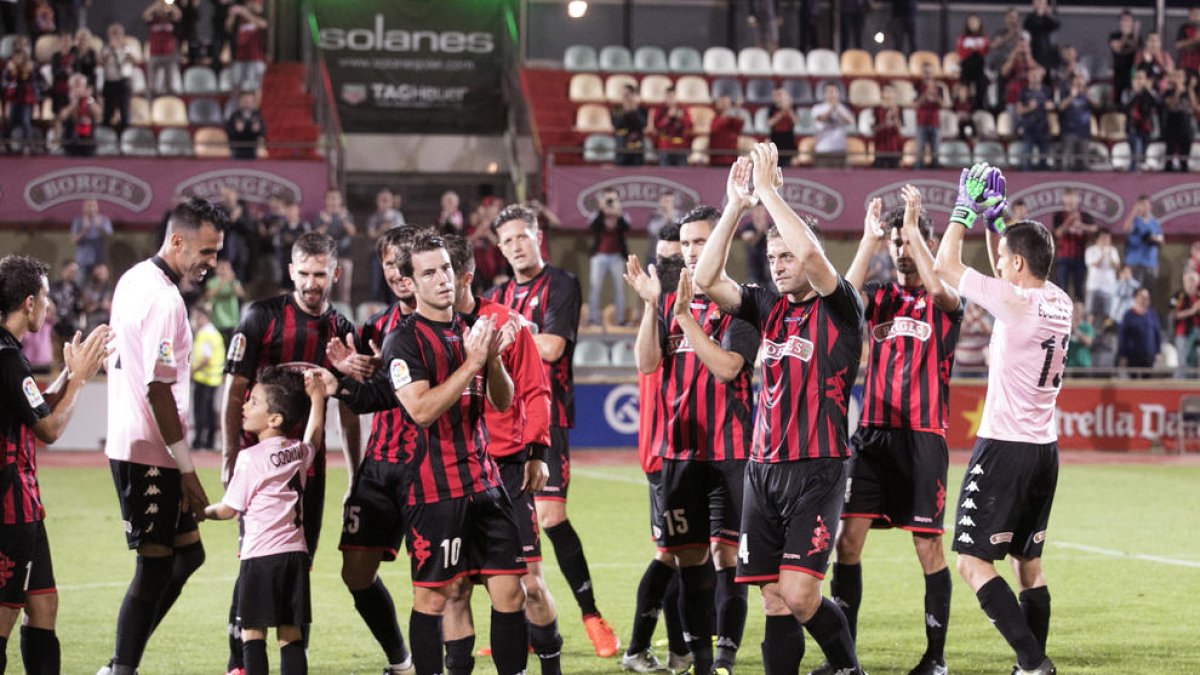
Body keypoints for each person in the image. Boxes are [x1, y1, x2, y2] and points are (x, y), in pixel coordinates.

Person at [694, 148, 865, 675]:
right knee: (771, 597)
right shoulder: (766, 308)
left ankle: (846, 667)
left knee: (800, 594)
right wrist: (734, 206)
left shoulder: (841, 307)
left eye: (785, 256)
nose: (779, 265)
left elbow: (815, 261)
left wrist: (770, 193)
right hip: (762, 471)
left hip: (818, 468)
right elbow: (706, 279)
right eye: (772, 259)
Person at [931, 162, 1067, 675]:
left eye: (1005, 260)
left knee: (970, 561)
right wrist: (999, 221)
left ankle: (1033, 662)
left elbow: (947, 265)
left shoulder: (1014, 301)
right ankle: (1028, 665)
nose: (1001, 265)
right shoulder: (1057, 300)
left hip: (1004, 448)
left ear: (1015, 265)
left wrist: (965, 210)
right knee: (1028, 565)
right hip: (1043, 450)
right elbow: (1004, 271)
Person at [379, 231, 528, 675]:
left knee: (510, 591)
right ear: (410, 283)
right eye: (429, 272)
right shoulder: (402, 342)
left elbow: (502, 402)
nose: (443, 278)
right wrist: (471, 363)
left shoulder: (469, 332)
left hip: (486, 481)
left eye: (445, 267)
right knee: (436, 595)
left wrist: (493, 359)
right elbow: (421, 410)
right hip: (434, 492)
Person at [826, 188, 962, 675]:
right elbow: (839, 300)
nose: (902, 251)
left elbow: (943, 289)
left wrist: (915, 226)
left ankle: (935, 657)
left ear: (925, 245)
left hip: (924, 438)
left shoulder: (947, 303)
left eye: (910, 243)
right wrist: (871, 239)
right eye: (898, 245)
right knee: (847, 540)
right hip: (873, 436)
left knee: (927, 546)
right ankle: (845, 659)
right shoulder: (880, 299)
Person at [626, 204, 759, 675]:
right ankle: (704, 663)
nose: (691, 252)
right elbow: (646, 364)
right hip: (681, 451)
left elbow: (727, 369)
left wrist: (684, 318)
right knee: (690, 559)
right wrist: (651, 305)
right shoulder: (664, 301)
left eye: (700, 242)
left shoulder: (743, 302)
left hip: (734, 453)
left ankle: (727, 655)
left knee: (736, 556)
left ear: (719, 243)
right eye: (685, 244)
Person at [220, 231, 360, 674]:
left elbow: (350, 407)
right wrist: (228, 458)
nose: (312, 282)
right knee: (253, 564)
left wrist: (354, 475)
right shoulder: (261, 317)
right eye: (304, 272)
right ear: (291, 272)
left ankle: (290, 660)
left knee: (300, 566)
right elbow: (234, 390)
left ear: (334, 273)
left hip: (309, 473)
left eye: (320, 273)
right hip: (260, 470)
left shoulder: (342, 331)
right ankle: (237, 663)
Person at [98, 198, 227, 675]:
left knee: (188, 554)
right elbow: (158, 389)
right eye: (207, 252)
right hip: (149, 452)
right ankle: (121, 667)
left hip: (138, 443)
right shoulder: (166, 299)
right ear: (177, 241)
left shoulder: (133, 278)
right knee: (154, 566)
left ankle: (122, 657)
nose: (211, 264)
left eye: (216, 253)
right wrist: (187, 469)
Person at [487, 208, 620, 658]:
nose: (517, 245)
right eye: (508, 240)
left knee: (551, 518)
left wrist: (511, 338)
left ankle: (591, 615)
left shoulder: (561, 284)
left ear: (537, 236)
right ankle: (524, 622)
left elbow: (553, 346)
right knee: (509, 523)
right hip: (504, 427)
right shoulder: (497, 294)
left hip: (549, 419)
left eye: (523, 236)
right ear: (500, 247)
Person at [437, 232, 564, 675]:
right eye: (428, 274)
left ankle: (550, 663)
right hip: (451, 473)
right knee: (454, 588)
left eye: (443, 274)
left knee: (525, 585)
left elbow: (535, 390)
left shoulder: (506, 323)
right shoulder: (427, 331)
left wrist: (536, 452)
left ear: (465, 277)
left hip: (504, 470)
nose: (435, 283)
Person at [0, 254, 109, 674]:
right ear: (29, 303)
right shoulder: (8, 359)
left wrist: (67, 373)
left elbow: (32, 408)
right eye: (46, 299)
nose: (50, 309)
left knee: (43, 604)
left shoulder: (9, 354)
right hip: (11, 506)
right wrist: (80, 380)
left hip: (25, 504)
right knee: (6, 614)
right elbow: (48, 429)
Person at [323, 226, 419, 675]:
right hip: (380, 468)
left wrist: (395, 369)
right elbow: (355, 400)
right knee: (355, 573)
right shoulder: (373, 327)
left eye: (404, 261)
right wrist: (354, 474)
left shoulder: (448, 321)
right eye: (388, 263)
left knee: (439, 583)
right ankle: (401, 660)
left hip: (429, 467)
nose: (397, 272)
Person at [203, 366, 323, 675]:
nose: (244, 406)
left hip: (260, 557)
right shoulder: (297, 452)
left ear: (275, 419)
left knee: (252, 633)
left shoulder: (250, 458)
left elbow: (229, 509)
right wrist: (319, 398)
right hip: (295, 555)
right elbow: (315, 437)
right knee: (290, 634)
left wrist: (199, 512)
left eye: (253, 402)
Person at [620, 226, 692, 674]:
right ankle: (637, 648)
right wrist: (651, 303)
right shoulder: (659, 309)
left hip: (692, 451)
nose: (668, 266)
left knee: (688, 554)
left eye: (677, 257)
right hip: (664, 451)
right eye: (663, 259)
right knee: (669, 554)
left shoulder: (686, 304)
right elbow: (645, 362)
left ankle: (682, 648)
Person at [586, 190, 630, 326]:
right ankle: (593, 319)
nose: (610, 202)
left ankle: (620, 319)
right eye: (608, 199)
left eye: (613, 199)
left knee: (619, 289)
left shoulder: (622, 215)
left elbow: (627, 227)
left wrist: (618, 211)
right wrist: (601, 209)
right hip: (599, 256)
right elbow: (592, 226)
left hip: (616, 256)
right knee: (595, 288)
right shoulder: (597, 215)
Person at [1051, 187, 1096, 301]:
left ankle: (1078, 316)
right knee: (1062, 289)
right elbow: (1058, 233)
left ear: (1077, 199)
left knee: (1078, 291)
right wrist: (1069, 221)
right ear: (1064, 199)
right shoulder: (1059, 215)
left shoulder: (1085, 215)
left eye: (1073, 198)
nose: (1071, 201)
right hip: (1063, 257)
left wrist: (1081, 226)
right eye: (1068, 198)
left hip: (1080, 256)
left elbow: (1094, 229)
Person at [189, 304, 223, 451]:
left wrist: (191, 372)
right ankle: (209, 441)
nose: (195, 320)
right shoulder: (215, 333)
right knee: (209, 410)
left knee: (200, 411)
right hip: (213, 378)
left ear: (203, 317)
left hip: (203, 378)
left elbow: (205, 358)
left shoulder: (204, 334)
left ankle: (198, 441)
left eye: (196, 317)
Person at [316, 188, 357, 305]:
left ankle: (344, 316)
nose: (333, 202)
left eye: (335, 198)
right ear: (326, 201)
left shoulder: (346, 215)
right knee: (326, 291)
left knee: (344, 291)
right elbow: (316, 234)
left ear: (340, 200)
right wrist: (326, 222)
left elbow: (352, 232)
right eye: (330, 198)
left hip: (344, 257)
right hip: (326, 259)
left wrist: (343, 219)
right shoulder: (321, 216)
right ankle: (325, 316)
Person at [366, 188, 406, 302]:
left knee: (393, 284)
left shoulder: (397, 215)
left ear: (391, 201)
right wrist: (381, 229)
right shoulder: (374, 217)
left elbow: (402, 233)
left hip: (394, 255)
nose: (383, 203)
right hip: (377, 254)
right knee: (375, 284)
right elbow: (371, 234)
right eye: (381, 200)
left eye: (386, 200)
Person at [99, 22, 136, 133]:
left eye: (118, 34)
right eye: (113, 34)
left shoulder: (127, 48)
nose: (116, 37)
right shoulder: (105, 48)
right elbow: (102, 62)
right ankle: (106, 138)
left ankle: (124, 138)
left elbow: (134, 60)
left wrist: (126, 53)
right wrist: (111, 50)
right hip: (110, 83)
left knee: (124, 114)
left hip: (123, 84)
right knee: (107, 114)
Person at [1117, 287, 1161, 376]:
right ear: (1136, 298)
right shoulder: (1128, 315)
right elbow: (1122, 336)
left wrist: (1157, 352)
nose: (1145, 300)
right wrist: (1123, 355)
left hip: (1148, 355)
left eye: (1147, 297)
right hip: (1132, 356)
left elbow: (1157, 334)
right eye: (1143, 297)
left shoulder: (1152, 315)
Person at [2, 49, 39, 153]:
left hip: (26, 100)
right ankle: (6, 144)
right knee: (10, 122)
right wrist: (12, 79)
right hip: (14, 99)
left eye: (20, 57)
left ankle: (28, 145)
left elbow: (34, 83)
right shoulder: (9, 70)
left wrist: (30, 72)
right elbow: (5, 84)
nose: (18, 59)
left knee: (25, 121)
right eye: (16, 57)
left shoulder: (29, 69)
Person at [1122, 195, 1162, 290]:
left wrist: (1153, 239)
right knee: (1134, 291)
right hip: (1135, 261)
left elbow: (1161, 239)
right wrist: (1134, 213)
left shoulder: (1154, 222)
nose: (1144, 207)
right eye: (1141, 204)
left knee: (1147, 291)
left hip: (1150, 262)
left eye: (1146, 204)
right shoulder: (1135, 221)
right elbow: (1126, 228)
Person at [227, 0, 267, 91]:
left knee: (255, 86)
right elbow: (228, 28)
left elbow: (262, 24)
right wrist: (231, 15)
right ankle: (237, 104)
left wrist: (246, 13)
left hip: (256, 57)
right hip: (239, 56)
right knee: (236, 84)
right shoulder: (239, 18)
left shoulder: (259, 15)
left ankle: (256, 105)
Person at [143, 0, 182, 95]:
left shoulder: (170, 18)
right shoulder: (153, 19)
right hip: (154, 53)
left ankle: (170, 100)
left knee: (170, 84)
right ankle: (151, 99)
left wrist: (170, 4)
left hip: (168, 53)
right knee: (150, 85)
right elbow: (145, 15)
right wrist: (156, 5)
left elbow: (179, 16)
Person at [1016, 67, 1052, 171]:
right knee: (1026, 160)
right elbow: (1019, 110)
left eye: (1036, 75)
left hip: (1043, 128)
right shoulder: (1023, 91)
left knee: (1044, 159)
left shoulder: (1046, 90)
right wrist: (1029, 108)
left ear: (1041, 77)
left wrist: (1049, 106)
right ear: (1028, 77)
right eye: (1032, 76)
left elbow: (1051, 106)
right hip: (1029, 128)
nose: (1035, 78)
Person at [1161, 68, 1196, 172]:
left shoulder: (1189, 92)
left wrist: (1189, 89)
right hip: (1172, 125)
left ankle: (1184, 170)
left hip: (1185, 125)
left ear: (1185, 79)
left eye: (1179, 76)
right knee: (1169, 154)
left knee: (1185, 156)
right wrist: (1177, 92)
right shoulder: (1168, 92)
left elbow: (1194, 106)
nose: (1177, 79)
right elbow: (1170, 105)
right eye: (1175, 76)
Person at [811, 83, 854, 168]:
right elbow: (820, 118)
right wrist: (831, 108)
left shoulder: (842, 108)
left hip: (839, 151)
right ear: (824, 94)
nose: (832, 95)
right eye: (830, 92)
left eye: (835, 92)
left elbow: (849, 121)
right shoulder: (817, 108)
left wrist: (837, 108)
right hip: (823, 151)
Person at [58, 72, 100, 156]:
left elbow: (98, 115)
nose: (78, 89)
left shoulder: (90, 99)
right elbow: (62, 116)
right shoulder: (65, 99)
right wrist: (74, 102)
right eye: (75, 86)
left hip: (88, 143)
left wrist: (89, 99)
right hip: (70, 142)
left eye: (80, 86)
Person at [275, 198, 312, 290]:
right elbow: (276, 242)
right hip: (285, 264)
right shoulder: (282, 226)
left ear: (297, 210)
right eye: (288, 210)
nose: (290, 213)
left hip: (301, 266)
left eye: (293, 209)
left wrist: (293, 240)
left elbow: (308, 244)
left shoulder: (304, 226)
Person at [1084, 228, 1120, 323]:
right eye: (1104, 238)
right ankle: (1089, 334)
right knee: (1091, 312)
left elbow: (1117, 266)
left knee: (1108, 313)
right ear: (1098, 239)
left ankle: (1105, 335)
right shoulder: (1090, 250)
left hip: (1109, 287)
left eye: (1108, 238)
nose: (1106, 240)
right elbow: (1095, 264)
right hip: (1094, 286)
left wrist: (1109, 255)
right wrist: (1102, 253)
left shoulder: (1113, 250)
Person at [1057, 73, 1091, 171]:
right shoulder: (1066, 92)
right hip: (1069, 131)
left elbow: (1097, 106)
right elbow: (1060, 107)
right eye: (1077, 79)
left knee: (1084, 162)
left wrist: (1088, 96)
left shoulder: (1086, 93)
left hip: (1084, 131)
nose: (1079, 82)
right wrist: (1071, 96)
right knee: (1067, 162)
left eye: (1081, 79)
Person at [204, 258, 243, 345]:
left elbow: (241, 294)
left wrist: (232, 282)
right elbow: (209, 295)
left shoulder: (234, 282)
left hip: (233, 321)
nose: (225, 271)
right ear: (216, 270)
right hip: (218, 321)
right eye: (222, 268)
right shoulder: (212, 282)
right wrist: (222, 283)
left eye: (227, 268)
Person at [915, 65, 947, 169]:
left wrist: (936, 96)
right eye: (926, 72)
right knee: (920, 149)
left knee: (935, 150)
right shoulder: (917, 86)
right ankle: (918, 169)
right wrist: (925, 94)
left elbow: (943, 105)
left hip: (935, 122)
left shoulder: (938, 88)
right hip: (921, 121)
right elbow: (915, 104)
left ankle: (935, 169)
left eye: (930, 72)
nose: (928, 75)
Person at [71, 198, 112, 279]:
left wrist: (99, 226)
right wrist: (84, 230)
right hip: (83, 262)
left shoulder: (104, 220)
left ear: (97, 207)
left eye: (93, 205)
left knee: (99, 285)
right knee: (80, 285)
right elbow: (74, 240)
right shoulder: (78, 220)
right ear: (84, 207)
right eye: (89, 206)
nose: (91, 208)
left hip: (99, 261)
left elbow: (108, 238)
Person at [652, 86, 692, 167]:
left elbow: (689, 125)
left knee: (682, 173)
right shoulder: (660, 109)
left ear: (676, 97)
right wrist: (668, 118)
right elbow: (657, 126)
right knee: (665, 172)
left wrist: (680, 118)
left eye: (672, 97)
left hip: (680, 146)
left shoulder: (682, 109)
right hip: (665, 146)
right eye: (668, 97)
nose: (670, 100)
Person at [957, 14, 990, 111]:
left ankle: (980, 106)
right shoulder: (963, 38)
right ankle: (963, 107)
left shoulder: (984, 38)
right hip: (967, 67)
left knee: (982, 84)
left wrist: (974, 48)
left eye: (975, 22)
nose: (973, 24)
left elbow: (985, 51)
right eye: (971, 22)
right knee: (964, 86)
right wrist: (973, 49)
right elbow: (961, 52)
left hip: (979, 68)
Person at [1170, 271, 1200, 373]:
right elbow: (1174, 315)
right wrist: (1192, 311)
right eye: (1186, 282)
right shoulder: (1178, 296)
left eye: (1191, 281)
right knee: (1183, 362)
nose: (1189, 284)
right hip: (1183, 333)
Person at [1109, 10, 1141, 105]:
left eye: (1129, 21)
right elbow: (1117, 48)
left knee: (1132, 100)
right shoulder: (1114, 35)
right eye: (1124, 20)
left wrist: (1135, 35)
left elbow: (1136, 48)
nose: (1126, 23)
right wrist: (1125, 36)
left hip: (1132, 72)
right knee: (1118, 100)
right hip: (1119, 72)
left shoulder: (1136, 37)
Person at [612, 84, 648, 167]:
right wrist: (626, 112)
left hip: (637, 147)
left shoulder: (641, 110)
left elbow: (643, 124)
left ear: (633, 96)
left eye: (628, 95)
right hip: (622, 146)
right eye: (624, 95)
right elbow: (617, 125)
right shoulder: (617, 109)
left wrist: (635, 111)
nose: (626, 98)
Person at [738, 203, 773, 289]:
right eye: (757, 211)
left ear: (765, 213)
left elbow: (774, 241)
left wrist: (765, 230)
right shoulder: (748, 227)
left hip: (768, 266)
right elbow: (750, 241)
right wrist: (760, 232)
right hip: (753, 266)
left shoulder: (771, 227)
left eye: (761, 211)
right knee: (754, 291)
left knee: (771, 290)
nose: (759, 214)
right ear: (753, 212)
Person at [954, 301, 992, 375]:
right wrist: (970, 320)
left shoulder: (984, 321)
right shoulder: (961, 321)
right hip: (961, 366)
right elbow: (958, 334)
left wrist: (977, 317)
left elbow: (988, 333)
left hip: (979, 366)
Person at [226, 91, 266, 160]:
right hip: (238, 148)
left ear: (253, 102)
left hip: (252, 148)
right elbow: (229, 132)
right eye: (244, 100)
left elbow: (262, 131)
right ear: (240, 102)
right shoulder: (235, 115)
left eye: (249, 101)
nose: (247, 103)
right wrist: (236, 131)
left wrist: (257, 131)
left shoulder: (257, 115)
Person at [872, 85, 903, 168]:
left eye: (891, 92)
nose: (889, 94)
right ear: (882, 94)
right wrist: (885, 121)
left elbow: (900, 131)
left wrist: (895, 117)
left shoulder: (898, 110)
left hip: (894, 148)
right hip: (880, 148)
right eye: (887, 92)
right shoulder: (876, 109)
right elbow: (874, 130)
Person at [1023, 0, 1060, 71]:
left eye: (1043, 3)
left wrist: (1048, 14)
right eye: (1038, 2)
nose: (1041, 5)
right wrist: (1039, 14)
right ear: (1033, 4)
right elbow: (1034, 25)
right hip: (1037, 55)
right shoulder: (1030, 18)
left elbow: (1056, 25)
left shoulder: (1048, 18)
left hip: (1050, 56)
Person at [709, 95, 745, 167]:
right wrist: (725, 110)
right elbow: (716, 128)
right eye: (722, 102)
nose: (724, 104)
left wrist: (738, 108)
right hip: (718, 157)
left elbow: (739, 124)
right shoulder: (714, 117)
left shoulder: (730, 119)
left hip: (731, 156)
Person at [766, 87, 798, 166]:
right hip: (775, 140)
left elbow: (796, 121)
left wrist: (789, 109)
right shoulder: (772, 108)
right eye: (775, 95)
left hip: (789, 141)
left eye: (780, 95)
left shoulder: (792, 107)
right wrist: (782, 112)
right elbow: (770, 123)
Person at [645, 191, 677, 265]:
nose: (668, 204)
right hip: (655, 257)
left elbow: (679, 231)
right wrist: (665, 217)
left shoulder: (679, 216)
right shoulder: (654, 216)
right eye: (666, 201)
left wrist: (671, 217)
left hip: (673, 257)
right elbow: (653, 230)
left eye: (671, 201)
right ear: (660, 202)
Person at [81, 262, 113, 334]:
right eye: (102, 273)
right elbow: (87, 308)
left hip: (107, 322)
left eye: (106, 272)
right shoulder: (88, 289)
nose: (105, 275)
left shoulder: (109, 288)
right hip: (93, 324)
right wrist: (101, 305)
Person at [1065, 302, 1094, 369]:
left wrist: (1075, 330)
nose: (1076, 312)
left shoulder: (1086, 327)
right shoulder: (1066, 327)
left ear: (1082, 312)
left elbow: (1088, 342)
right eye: (1075, 310)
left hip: (1083, 365)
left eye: (1078, 310)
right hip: (1068, 365)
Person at [1178, 7, 1200, 76]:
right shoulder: (1184, 28)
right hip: (1186, 66)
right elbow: (1178, 45)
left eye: (1197, 14)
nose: (1195, 17)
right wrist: (1194, 40)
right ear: (1189, 15)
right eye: (1193, 14)